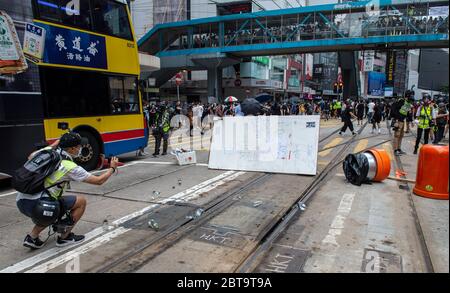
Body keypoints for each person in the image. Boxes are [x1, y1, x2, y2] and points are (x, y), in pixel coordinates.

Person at [17, 133, 120, 249]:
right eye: (79, 146)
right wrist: (112, 168)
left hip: (22, 201)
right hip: (39, 206)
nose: (81, 148)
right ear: (72, 149)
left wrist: (56, 143)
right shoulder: (69, 167)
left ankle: (32, 238)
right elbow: (99, 181)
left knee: (52, 203)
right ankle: (64, 238)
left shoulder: (47, 153)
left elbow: (30, 156)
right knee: (79, 202)